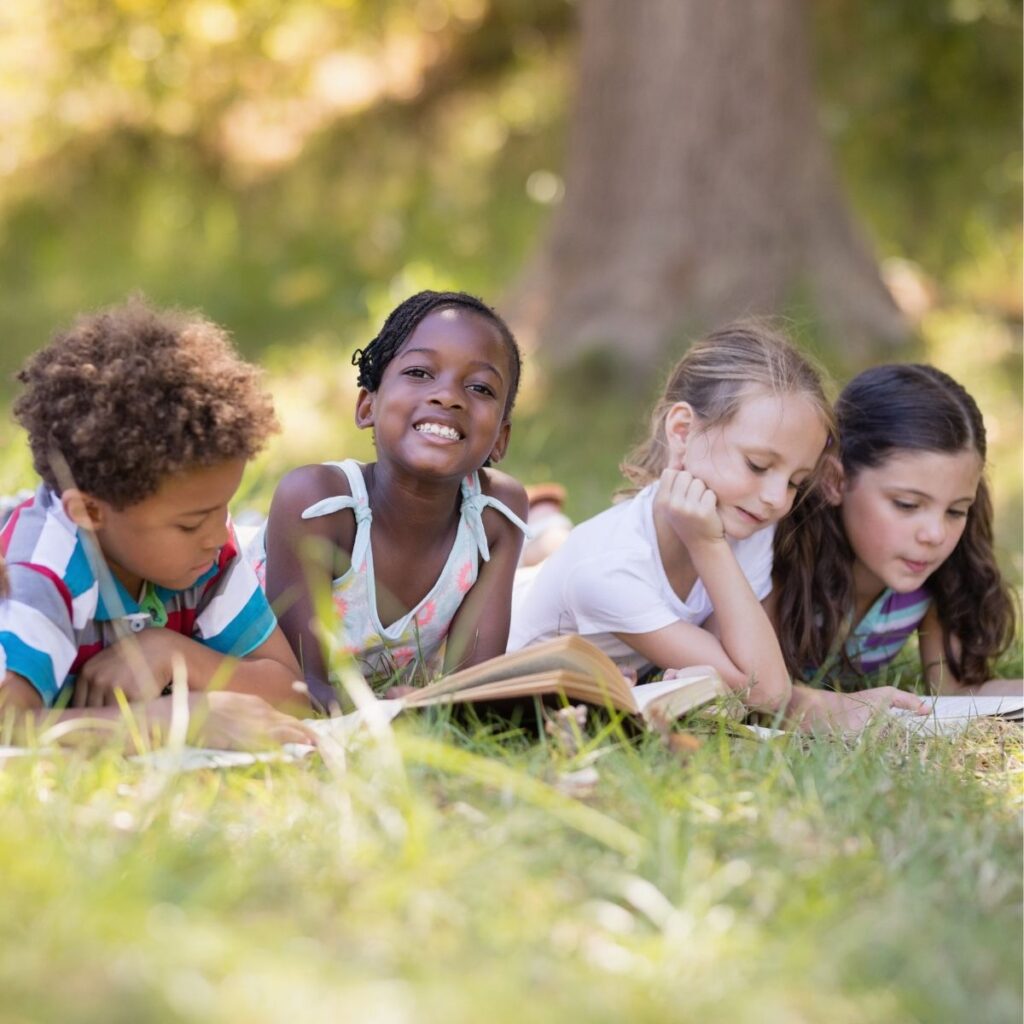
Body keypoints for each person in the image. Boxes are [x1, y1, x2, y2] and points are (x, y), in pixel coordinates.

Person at [0, 299, 312, 749]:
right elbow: (10, 728)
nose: (215, 536)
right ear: (89, 513)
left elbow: (294, 694)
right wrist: (166, 723)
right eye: (189, 525)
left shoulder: (206, 554)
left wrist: (175, 653)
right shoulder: (42, 574)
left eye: (222, 508)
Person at [508, 320, 834, 713]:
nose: (776, 500)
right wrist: (707, 546)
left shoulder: (745, 522)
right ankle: (539, 526)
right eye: (758, 465)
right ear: (682, 431)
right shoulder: (609, 569)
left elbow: (744, 668)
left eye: (796, 482)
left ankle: (546, 526)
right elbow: (766, 692)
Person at [263, 290, 529, 711]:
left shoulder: (497, 516)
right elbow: (299, 687)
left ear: (501, 438)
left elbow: (474, 693)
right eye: (421, 373)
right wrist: (398, 714)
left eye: (479, 387)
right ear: (367, 405)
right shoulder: (319, 504)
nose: (448, 396)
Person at [773, 364, 1020, 730]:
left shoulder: (933, 579)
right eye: (907, 505)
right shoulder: (782, 551)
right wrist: (829, 707)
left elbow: (955, 690)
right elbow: (747, 684)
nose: (935, 534)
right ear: (834, 480)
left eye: (956, 510)